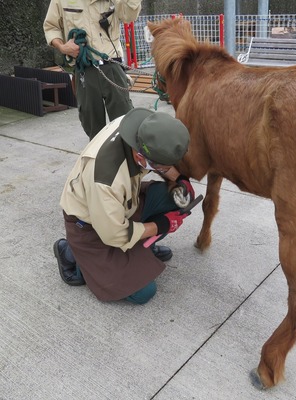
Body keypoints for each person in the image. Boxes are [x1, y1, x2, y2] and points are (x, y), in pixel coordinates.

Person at [53, 108, 195, 305]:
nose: (165, 171)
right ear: (139, 156)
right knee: (144, 292)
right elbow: (114, 234)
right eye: (162, 167)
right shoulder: (105, 179)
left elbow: (160, 160)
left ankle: (142, 249)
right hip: (91, 227)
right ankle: (71, 254)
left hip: (124, 201)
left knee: (178, 200)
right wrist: (162, 224)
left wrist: (180, 179)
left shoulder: (143, 128)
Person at [43, 0, 141, 140]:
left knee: (124, 122)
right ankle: (98, 158)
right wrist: (63, 47)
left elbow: (129, 16)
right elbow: (51, 27)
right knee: (91, 124)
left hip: (112, 65)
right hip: (84, 69)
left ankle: (127, 158)